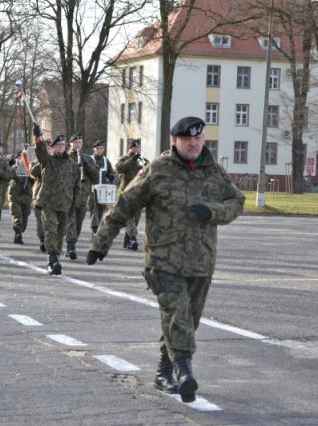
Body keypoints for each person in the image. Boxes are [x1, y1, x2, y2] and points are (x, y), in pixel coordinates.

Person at [87, 116, 245, 403]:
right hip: (163, 261)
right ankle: (184, 371)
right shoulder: (157, 170)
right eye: (187, 140)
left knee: (187, 320)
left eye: (198, 139)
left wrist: (213, 212)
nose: (194, 144)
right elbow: (125, 203)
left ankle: (163, 371)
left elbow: (237, 202)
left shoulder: (214, 172)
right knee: (177, 314)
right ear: (175, 141)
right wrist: (101, 242)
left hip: (201, 262)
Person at [33, 126, 79, 275]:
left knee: (60, 233)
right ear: (52, 148)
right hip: (49, 203)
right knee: (51, 231)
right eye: (58, 145)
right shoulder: (47, 160)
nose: (61, 147)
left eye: (63, 145)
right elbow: (40, 152)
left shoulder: (72, 164)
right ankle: (53, 258)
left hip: (65, 203)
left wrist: (74, 203)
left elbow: (77, 185)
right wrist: (38, 138)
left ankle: (53, 259)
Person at [64, 133, 98, 260]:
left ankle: (71, 244)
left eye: (80, 142)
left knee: (78, 223)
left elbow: (96, 175)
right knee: (70, 222)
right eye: (75, 142)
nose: (78, 144)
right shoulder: (65, 157)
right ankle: (71, 246)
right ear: (71, 143)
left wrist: (86, 165)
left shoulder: (87, 158)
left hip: (83, 197)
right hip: (68, 196)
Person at [115, 138, 148, 250]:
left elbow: (148, 172)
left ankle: (127, 240)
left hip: (139, 193)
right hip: (126, 192)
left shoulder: (142, 160)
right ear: (130, 148)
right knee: (130, 218)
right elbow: (119, 168)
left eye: (138, 147)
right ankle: (133, 238)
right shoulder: (124, 159)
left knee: (137, 218)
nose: (136, 149)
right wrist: (132, 160)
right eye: (134, 147)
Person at [87, 139, 116, 235]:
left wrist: (111, 176)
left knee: (101, 210)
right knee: (93, 208)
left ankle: (97, 230)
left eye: (101, 148)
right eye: (98, 148)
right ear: (94, 149)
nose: (99, 150)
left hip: (103, 190)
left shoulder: (105, 160)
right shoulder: (89, 159)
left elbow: (111, 172)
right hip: (92, 189)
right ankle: (94, 227)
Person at [8, 151, 34, 244]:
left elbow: (35, 179)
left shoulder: (29, 169)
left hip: (26, 197)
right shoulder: (13, 168)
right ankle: (18, 232)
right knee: (17, 216)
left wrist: (30, 173)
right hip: (15, 196)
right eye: (19, 158)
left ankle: (18, 234)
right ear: (16, 159)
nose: (21, 160)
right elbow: (8, 176)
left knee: (25, 217)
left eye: (22, 158)